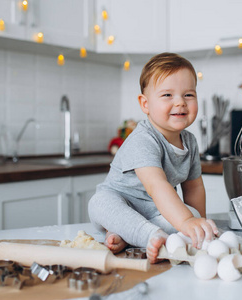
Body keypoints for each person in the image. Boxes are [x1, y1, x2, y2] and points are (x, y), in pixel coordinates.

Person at [88, 52, 219, 263]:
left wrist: (198, 225)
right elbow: (156, 186)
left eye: (188, 95)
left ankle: (127, 236)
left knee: (192, 213)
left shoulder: (191, 142)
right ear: (145, 104)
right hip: (119, 203)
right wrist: (185, 221)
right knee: (99, 203)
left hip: (156, 210)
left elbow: (193, 187)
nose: (180, 103)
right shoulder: (143, 139)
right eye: (168, 95)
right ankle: (150, 235)